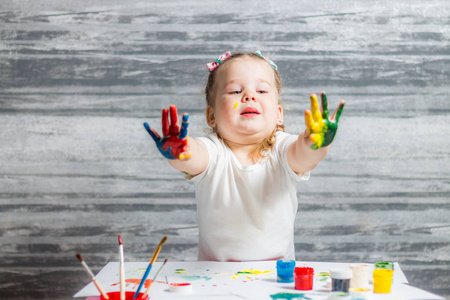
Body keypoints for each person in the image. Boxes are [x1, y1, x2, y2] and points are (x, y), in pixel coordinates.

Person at [144, 51, 345, 262]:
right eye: (235, 90)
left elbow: (304, 156)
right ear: (212, 116)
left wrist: (316, 142)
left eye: (261, 90)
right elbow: (193, 156)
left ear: (278, 114)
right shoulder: (213, 152)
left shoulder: (283, 148)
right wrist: (180, 150)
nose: (250, 96)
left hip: (277, 278)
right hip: (214, 279)